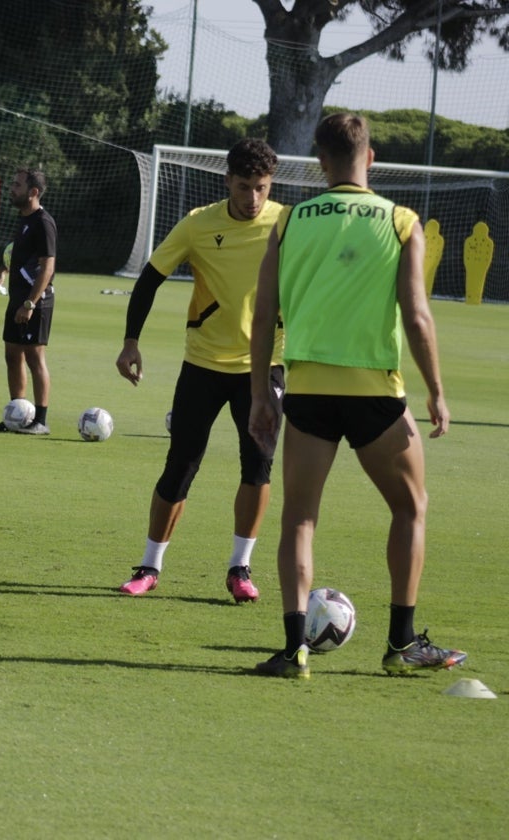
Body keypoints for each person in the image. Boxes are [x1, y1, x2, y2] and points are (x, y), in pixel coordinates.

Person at [250, 113, 466, 678]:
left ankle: (295, 647)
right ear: (370, 158)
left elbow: (263, 313)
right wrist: (437, 392)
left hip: (309, 391)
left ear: (320, 160)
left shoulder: (289, 222)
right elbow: (417, 317)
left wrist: (259, 394)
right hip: (375, 391)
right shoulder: (400, 221)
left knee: (298, 519)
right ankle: (400, 644)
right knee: (410, 508)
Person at [114, 138, 283, 603]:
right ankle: (149, 566)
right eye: (245, 187)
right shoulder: (198, 225)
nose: (253, 199)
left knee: (258, 467)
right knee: (181, 465)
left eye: (262, 188)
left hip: (265, 369)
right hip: (204, 364)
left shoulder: (287, 224)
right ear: (227, 180)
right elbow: (149, 279)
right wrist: (131, 341)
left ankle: (240, 568)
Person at [0, 168, 57, 435]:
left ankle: (40, 420)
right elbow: (19, 253)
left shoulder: (43, 222)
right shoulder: (23, 219)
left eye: (17, 185)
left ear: (33, 192)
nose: (12, 188)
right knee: (12, 355)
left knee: (34, 357)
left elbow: (47, 267)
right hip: (16, 298)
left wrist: (30, 304)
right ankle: (17, 415)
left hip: (35, 301)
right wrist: (3, 271)